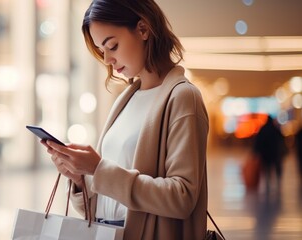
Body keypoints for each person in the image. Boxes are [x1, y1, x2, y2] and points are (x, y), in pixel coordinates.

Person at [41, 0, 209, 239]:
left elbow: (182, 198)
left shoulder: (183, 98)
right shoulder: (126, 99)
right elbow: (106, 204)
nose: (107, 59)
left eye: (113, 45)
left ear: (143, 29)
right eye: (102, 50)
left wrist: (98, 169)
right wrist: (81, 179)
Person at [252, 115, 286, 192]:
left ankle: (268, 184)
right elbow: (282, 141)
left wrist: (255, 152)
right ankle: (278, 182)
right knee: (276, 168)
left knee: (267, 170)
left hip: (266, 155)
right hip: (275, 154)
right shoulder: (275, 129)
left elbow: (258, 142)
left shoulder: (263, 129)